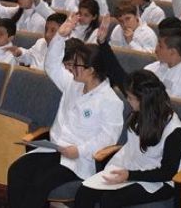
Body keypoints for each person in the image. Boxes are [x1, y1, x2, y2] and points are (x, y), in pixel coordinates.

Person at [7, 13, 124, 208]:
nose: (71, 70)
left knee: (40, 184)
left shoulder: (110, 100)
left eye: (76, 65)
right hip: (55, 149)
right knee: (17, 170)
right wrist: (60, 37)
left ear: (91, 70)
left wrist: (79, 150)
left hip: (79, 159)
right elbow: (51, 65)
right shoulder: (73, 84)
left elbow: (107, 138)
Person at [74, 70, 181, 208]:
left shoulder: (175, 131)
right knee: (85, 192)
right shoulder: (142, 112)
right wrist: (127, 173)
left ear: (144, 100)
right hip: (131, 169)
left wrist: (129, 175)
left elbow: (167, 172)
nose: (128, 100)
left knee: (111, 200)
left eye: (130, 97)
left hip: (159, 181)